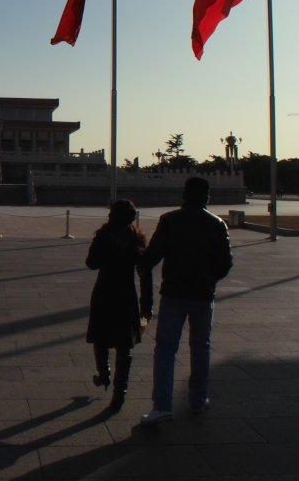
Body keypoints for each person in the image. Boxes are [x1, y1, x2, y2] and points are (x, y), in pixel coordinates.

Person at [140, 177, 233, 426]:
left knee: (166, 350)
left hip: (174, 293)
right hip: (203, 294)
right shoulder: (218, 224)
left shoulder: (169, 221)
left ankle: (162, 406)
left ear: (184, 194)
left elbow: (151, 257)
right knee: (201, 346)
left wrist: (135, 253)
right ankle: (198, 399)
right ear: (207, 197)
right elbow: (226, 263)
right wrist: (210, 279)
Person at [86, 199, 153, 412]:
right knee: (125, 347)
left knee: (101, 337)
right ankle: (119, 393)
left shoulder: (104, 236)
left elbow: (91, 263)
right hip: (126, 295)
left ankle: (104, 375)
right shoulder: (136, 239)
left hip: (105, 292)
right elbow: (145, 273)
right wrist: (147, 303)